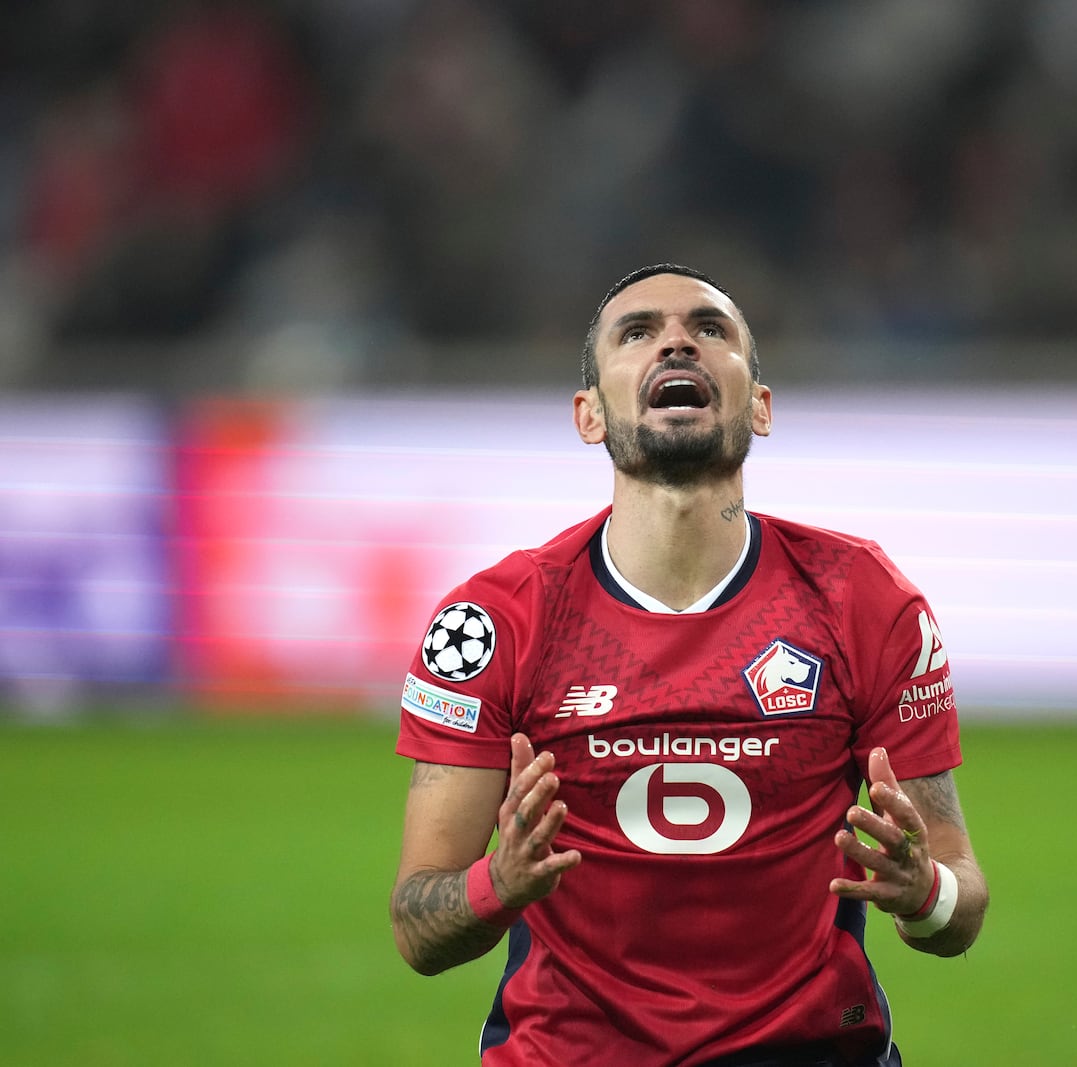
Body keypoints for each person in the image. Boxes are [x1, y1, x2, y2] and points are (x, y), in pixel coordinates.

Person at [389, 263, 989, 1066]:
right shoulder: (496, 620)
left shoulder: (864, 600)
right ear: (590, 415)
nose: (677, 340)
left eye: (711, 329)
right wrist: (498, 882)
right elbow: (417, 926)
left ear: (762, 406)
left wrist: (925, 896)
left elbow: (961, 900)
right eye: (637, 332)